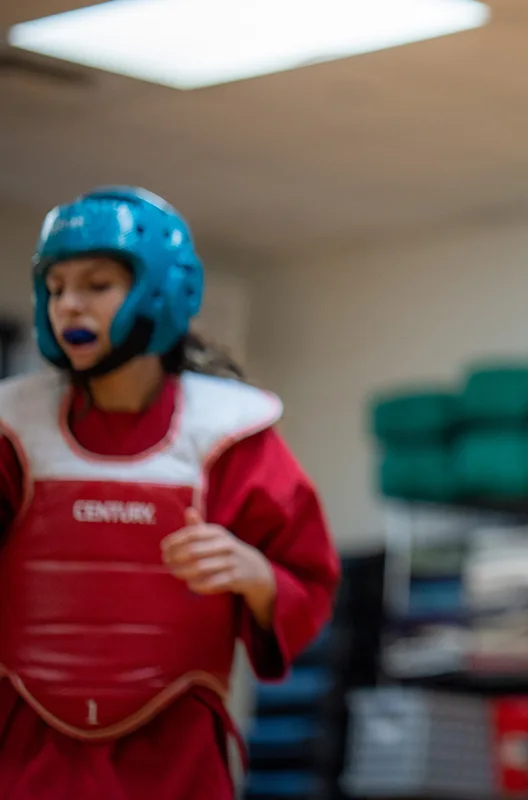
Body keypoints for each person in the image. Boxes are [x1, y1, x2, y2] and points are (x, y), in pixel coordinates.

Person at [0, 186, 341, 799]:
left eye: (96, 285)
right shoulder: (12, 431)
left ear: (162, 288)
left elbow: (309, 581)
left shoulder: (227, 436)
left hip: (173, 756)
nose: (69, 306)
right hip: (25, 750)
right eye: (55, 288)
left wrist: (257, 575)